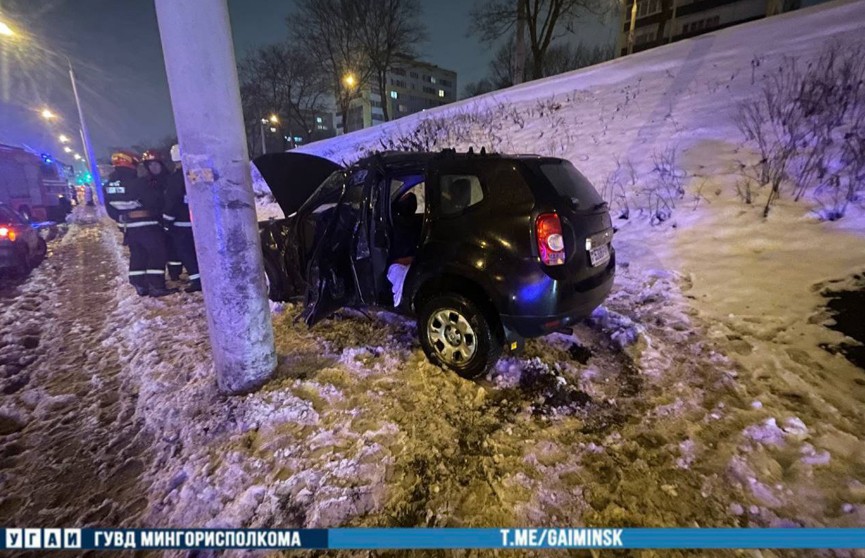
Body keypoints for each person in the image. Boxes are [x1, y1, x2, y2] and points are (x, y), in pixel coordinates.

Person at [103, 151, 176, 297]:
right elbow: (154, 202)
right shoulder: (139, 183)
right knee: (157, 253)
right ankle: (156, 285)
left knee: (138, 254)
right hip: (147, 224)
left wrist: (122, 220)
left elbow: (111, 211)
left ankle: (139, 282)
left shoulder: (108, 186)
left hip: (129, 227)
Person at [163, 144, 201, 293]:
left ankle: (197, 281)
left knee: (186, 253)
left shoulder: (175, 178)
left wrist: (166, 221)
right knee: (200, 252)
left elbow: (171, 201)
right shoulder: (197, 174)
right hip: (199, 223)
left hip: (180, 225)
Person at [142, 153, 182, 281]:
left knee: (174, 248)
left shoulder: (170, 179)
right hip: (154, 223)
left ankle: (175, 273)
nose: (153, 167)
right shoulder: (145, 183)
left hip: (172, 220)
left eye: (156, 164)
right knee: (160, 250)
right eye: (150, 165)